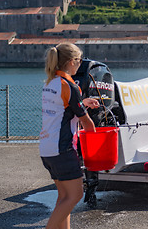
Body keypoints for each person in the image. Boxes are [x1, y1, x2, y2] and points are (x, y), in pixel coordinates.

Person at [39, 43, 99, 229]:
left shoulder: (50, 83)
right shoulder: (70, 86)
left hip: (47, 149)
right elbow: (86, 121)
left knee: (64, 197)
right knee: (76, 195)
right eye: (79, 61)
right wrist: (97, 138)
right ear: (71, 62)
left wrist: (82, 102)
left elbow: (64, 107)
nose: (80, 65)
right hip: (63, 149)